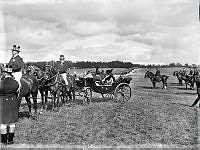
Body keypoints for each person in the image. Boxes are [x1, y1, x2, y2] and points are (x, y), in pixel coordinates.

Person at [0, 65, 19, 145]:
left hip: (3, 103)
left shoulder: (1, 82)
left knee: (3, 123)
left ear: (4, 73)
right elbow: (17, 91)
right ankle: (11, 140)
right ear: (11, 73)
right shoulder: (16, 83)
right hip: (13, 102)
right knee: (12, 122)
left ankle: (4, 141)